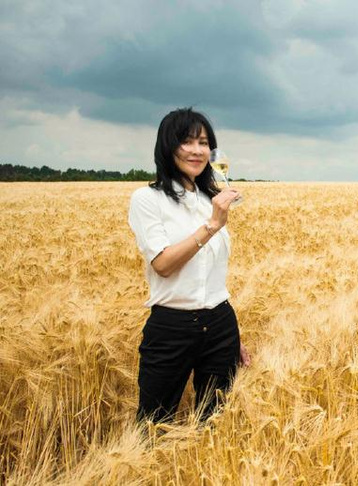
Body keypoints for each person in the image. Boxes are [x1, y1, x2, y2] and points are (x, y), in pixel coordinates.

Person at [128, 107, 251, 423]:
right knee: (155, 424)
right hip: (173, 326)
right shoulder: (148, 199)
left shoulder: (209, 197)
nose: (197, 150)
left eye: (204, 142)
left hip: (221, 322)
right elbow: (163, 265)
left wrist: (231, 336)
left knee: (216, 423)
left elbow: (213, 275)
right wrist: (212, 225)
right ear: (168, 146)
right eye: (187, 141)